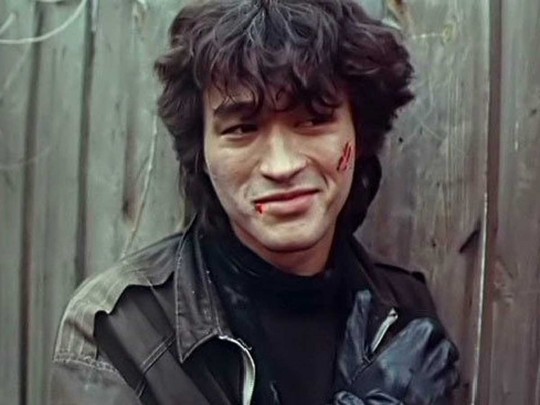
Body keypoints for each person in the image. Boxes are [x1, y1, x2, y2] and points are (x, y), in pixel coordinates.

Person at [50, 0, 459, 404]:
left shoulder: (404, 310)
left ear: (359, 131)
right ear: (201, 151)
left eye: (314, 119)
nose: (281, 166)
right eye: (243, 128)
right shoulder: (121, 330)